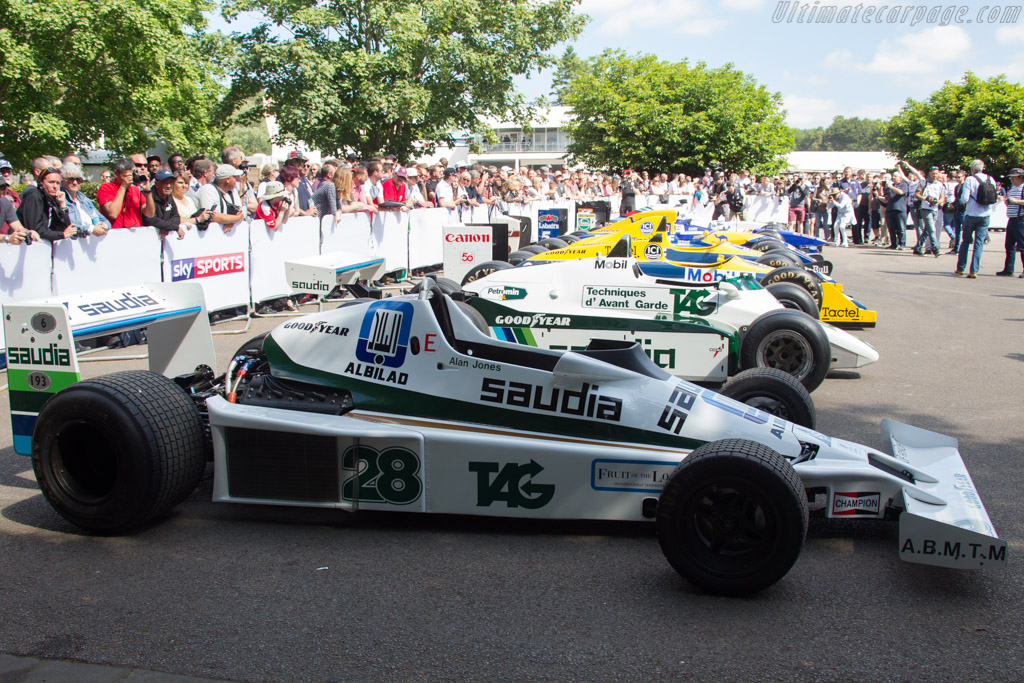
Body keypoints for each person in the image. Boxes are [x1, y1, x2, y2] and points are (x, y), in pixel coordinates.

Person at [956, 159, 997, 278]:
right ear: (982, 168)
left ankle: (961, 267)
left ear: (972, 169)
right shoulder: (990, 179)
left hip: (972, 214)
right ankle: (974, 270)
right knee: (979, 242)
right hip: (985, 214)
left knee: (966, 241)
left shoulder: (970, 179)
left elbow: (965, 198)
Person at [17, 167, 76, 241]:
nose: (55, 186)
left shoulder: (51, 198)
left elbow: (63, 228)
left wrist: (62, 206)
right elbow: (36, 229)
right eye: (51, 182)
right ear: (41, 183)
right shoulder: (33, 196)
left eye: (57, 183)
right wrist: (62, 235)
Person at [62, 163, 109, 236]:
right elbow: (67, 226)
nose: (75, 183)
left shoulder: (85, 200)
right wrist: (91, 229)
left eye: (78, 179)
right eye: (71, 179)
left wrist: (104, 225)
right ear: (62, 181)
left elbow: (104, 220)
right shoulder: (61, 200)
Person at [196, 164, 246, 232]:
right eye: (235, 177)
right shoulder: (207, 190)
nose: (238, 179)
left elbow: (240, 212)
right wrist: (236, 218)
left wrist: (232, 221)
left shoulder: (232, 191)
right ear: (228, 180)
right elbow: (211, 216)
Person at [995, 168, 1024, 277]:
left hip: (1021, 219)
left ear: (1021, 177)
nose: (1011, 179)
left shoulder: (1023, 188)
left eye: (1014, 177)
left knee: (1022, 246)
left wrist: (1015, 201)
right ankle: (1008, 269)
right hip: (1012, 219)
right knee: (1009, 245)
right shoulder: (1012, 188)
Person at [144, 170, 186, 239]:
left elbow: (176, 217)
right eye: (165, 183)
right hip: (147, 238)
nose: (169, 186)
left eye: (171, 183)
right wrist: (173, 227)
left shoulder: (169, 196)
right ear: (156, 184)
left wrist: (166, 227)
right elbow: (151, 219)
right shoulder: (147, 196)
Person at [912, 166, 944, 257]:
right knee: (932, 229)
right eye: (933, 173)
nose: (935, 175)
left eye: (936, 173)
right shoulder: (924, 182)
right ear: (929, 173)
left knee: (927, 230)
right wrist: (925, 198)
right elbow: (916, 194)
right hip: (925, 209)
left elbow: (942, 197)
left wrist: (939, 202)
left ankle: (918, 247)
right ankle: (935, 248)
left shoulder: (940, 184)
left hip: (935, 209)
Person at [879, 171, 909, 250]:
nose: (894, 177)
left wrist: (891, 187)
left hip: (900, 209)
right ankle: (893, 244)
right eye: (893, 176)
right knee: (891, 228)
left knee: (901, 228)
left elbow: (900, 192)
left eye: (895, 176)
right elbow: (886, 199)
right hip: (890, 209)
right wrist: (878, 196)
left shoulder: (903, 185)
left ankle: (902, 244)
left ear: (900, 178)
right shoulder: (888, 187)